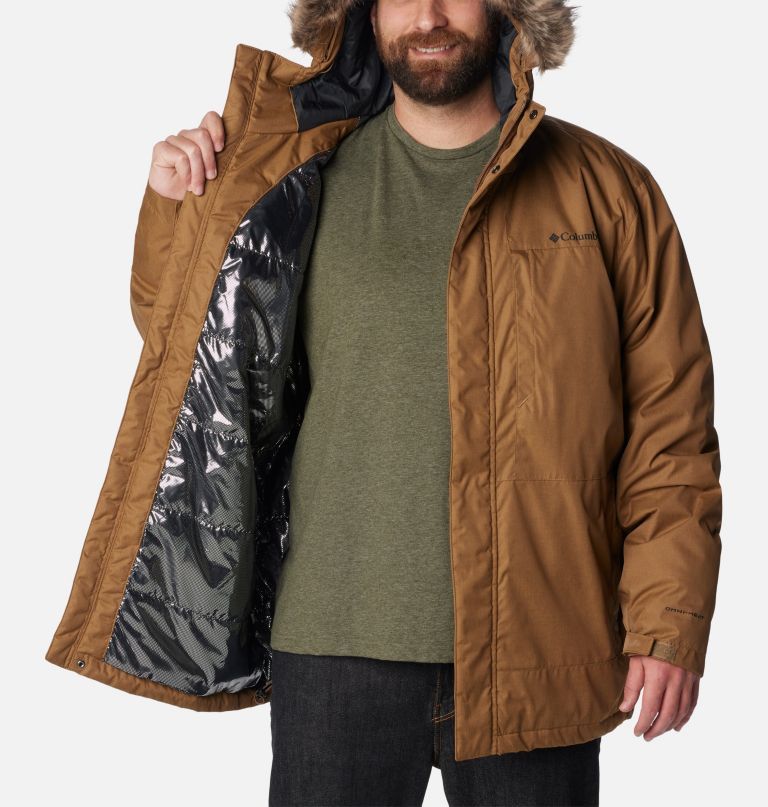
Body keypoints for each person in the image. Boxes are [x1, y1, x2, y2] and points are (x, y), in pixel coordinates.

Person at [46, 2, 722, 806]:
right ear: (363, 12)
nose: (428, 15)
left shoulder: (607, 193)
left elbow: (670, 431)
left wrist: (668, 623)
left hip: (540, 644)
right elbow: (192, 348)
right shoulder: (298, 179)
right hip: (331, 650)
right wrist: (174, 204)